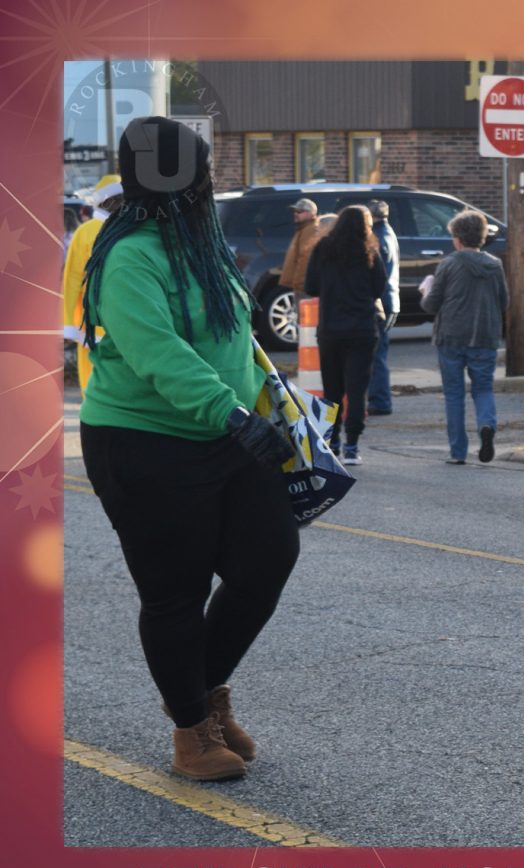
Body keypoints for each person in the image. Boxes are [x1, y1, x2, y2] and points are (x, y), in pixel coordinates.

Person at [78, 116, 299, 782]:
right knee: (175, 590)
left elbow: (236, 340)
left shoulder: (198, 242)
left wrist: (272, 404)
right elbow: (158, 354)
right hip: (145, 443)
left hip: (226, 433)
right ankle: (190, 728)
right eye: (202, 173)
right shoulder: (129, 254)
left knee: (268, 556)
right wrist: (231, 415)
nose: (210, 183)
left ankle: (202, 689)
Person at [421, 209, 508, 465]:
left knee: (454, 394)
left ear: (458, 238)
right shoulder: (495, 265)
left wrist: (426, 290)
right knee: (483, 389)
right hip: (484, 335)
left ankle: (458, 451)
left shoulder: (449, 264)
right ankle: (486, 425)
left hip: (451, 336)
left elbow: (431, 304)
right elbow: (504, 301)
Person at [304, 205, 385, 465]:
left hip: (330, 328)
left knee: (332, 389)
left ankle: (333, 440)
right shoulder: (369, 250)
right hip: (362, 328)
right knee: (357, 387)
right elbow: (379, 287)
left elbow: (310, 286)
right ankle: (352, 445)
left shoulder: (323, 249)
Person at [60, 173, 124, 392]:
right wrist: (67, 322)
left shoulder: (131, 228)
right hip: (94, 320)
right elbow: (72, 279)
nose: (119, 204)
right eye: (115, 199)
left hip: (123, 317)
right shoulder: (85, 232)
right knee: (92, 379)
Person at [365, 200, 400, 416]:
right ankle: (380, 398)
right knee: (380, 353)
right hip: (391, 300)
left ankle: (380, 401)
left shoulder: (378, 239)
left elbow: (379, 275)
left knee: (377, 356)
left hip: (382, 302)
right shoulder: (389, 232)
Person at [279, 197, 320, 299]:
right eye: (294, 211)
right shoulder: (303, 229)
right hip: (300, 286)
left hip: (304, 287)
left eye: (300, 211)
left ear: (311, 214)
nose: (295, 214)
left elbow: (306, 259)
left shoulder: (311, 230)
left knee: (305, 314)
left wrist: (300, 284)